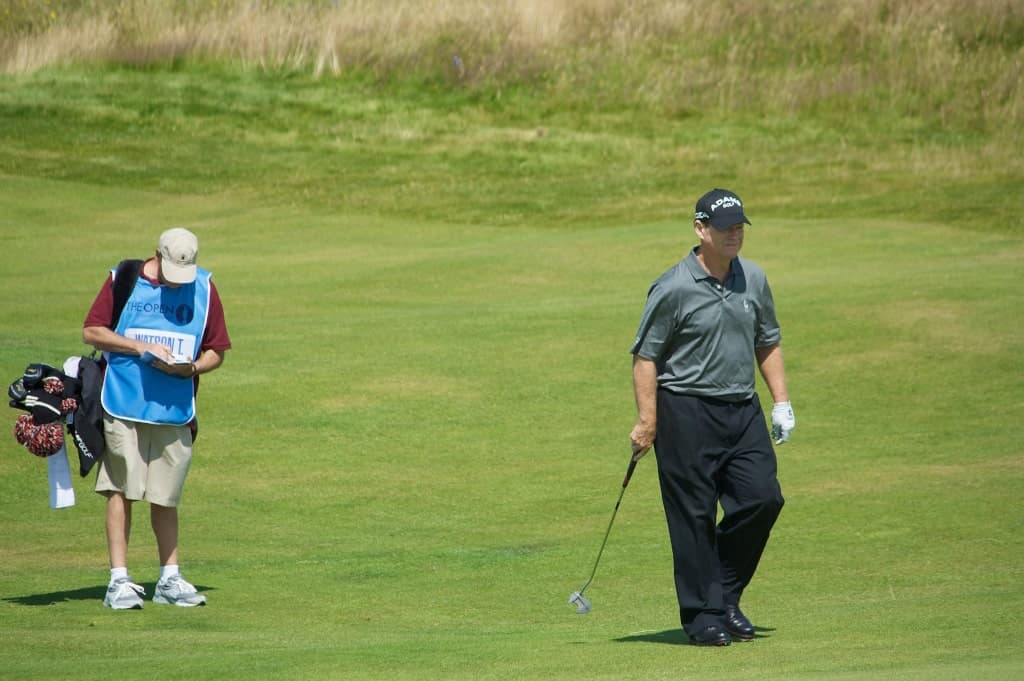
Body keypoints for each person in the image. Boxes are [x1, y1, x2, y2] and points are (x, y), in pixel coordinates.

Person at [628, 189, 795, 646]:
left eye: (740, 226)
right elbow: (646, 358)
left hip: (742, 409)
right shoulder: (673, 287)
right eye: (725, 228)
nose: (734, 234)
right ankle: (703, 613)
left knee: (763, 499)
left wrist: (781, 401)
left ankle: (722, 594)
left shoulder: (754, 279)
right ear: (701, 230)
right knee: (694, 515)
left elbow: (768, 340)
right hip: (685, 410)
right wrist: (648, 421)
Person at [82, 227, 231, 610]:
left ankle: (169, 578)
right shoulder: (124, 279)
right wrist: (138, 345)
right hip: (122, 402)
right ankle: (119, 580)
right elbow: (92, 331)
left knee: (166, 495)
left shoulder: (204, 287)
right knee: (121, 489)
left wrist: (194, 367)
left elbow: (217, 348)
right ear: (156, 255)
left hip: (175, 408)